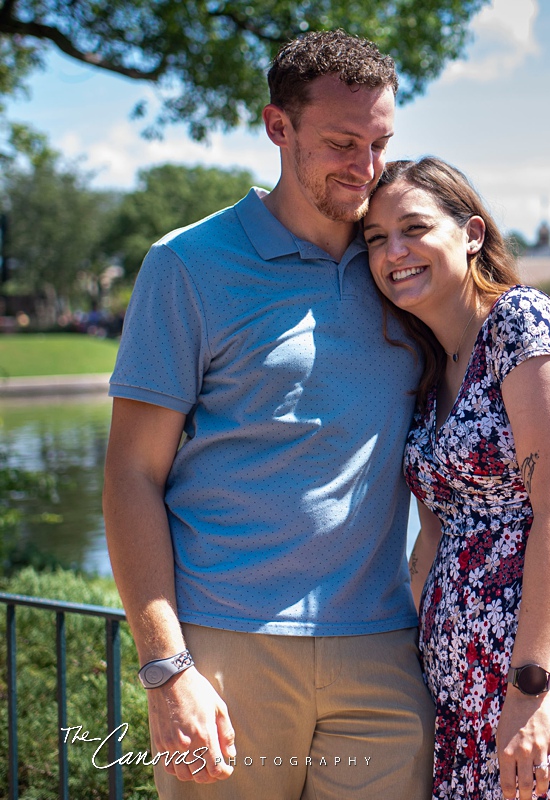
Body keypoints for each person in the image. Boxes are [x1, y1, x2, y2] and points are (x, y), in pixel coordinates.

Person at [102, 31, 434, 799]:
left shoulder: (399, 266)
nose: (367, 168)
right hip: (225, 648)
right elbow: (130, 475)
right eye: (343, 143)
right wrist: (166, 669)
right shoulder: (187, 265)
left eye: (381, 143)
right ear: (277, 127)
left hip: (383, 651)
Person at [363, 157, 550, 800]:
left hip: (541, 673)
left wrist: (530, 688)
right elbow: (435, 532)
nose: (394, 252)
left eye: (414, 229)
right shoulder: (430, 362)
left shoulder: (520, 325)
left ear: (471, 233)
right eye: (377, 239)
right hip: (457, 683)